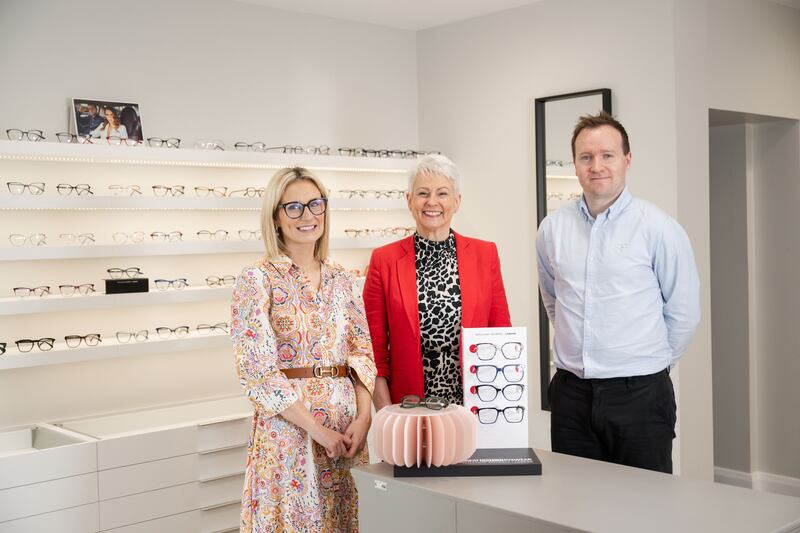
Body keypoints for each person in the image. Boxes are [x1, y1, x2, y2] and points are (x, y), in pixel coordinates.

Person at [536, 111, 700, 474]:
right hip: (571, 395)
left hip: (641, 396)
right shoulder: (552, 229)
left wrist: (644, 367)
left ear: (627, 160)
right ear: (575, 165)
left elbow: (684, 313)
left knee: (645, 512)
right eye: (586, 157)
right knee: (574, 510)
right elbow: (555, 301)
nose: (597, 166)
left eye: (607, 155)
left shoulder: (658, 228)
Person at [231, 167, 376, 531]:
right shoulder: (256, 280)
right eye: (293, 207)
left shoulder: (343, 278)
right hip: (290, 436)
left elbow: (362, 353)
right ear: (276, 217)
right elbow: (258, 373)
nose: (307, 215)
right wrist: (317, 430)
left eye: (315, 204)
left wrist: (364, 418)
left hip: (347, 435)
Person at [363, 154, 511, 410]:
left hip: (473, 406)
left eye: (442, 193)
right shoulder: (383, 260)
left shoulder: (485, 255)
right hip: (408, 407)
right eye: (422, 193)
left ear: (457, 201)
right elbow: (372, 348)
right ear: (409, 201)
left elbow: (501, 333)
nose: (432, 202)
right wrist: (387, 412)